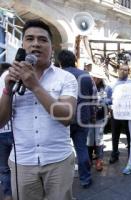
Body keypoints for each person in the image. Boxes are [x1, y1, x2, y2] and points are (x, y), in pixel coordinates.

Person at [0, 19, 77, 200]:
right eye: (30, 39)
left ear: (52, 47)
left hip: (59, 161)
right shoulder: (7, 76)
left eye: (43, 40)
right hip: (22, 163)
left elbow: (66, 116)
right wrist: (7, 90)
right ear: (23, 45)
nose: (36, 44)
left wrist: (34, 86)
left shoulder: (66, 78)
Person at [57, 49, 94, 188]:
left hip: (63, 117)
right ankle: (85, 178)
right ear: (74, 60)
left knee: (61, 150)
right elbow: (91, 97)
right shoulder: (85, 75)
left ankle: (62, 180)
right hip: (82, 117)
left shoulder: (58, 75)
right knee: (81, 148)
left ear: (60, 62)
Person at [108, 63, 131, 164]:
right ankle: (114, 153)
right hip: (116, 113)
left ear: (128, 72)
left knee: (130, 135)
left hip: (129, 114)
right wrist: (108, 104)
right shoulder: (111, 84)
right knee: (115, 134)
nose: (123, 71)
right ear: (118, 70)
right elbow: (108, 99)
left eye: (126, 70)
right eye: (121, 69)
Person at [88, 66, 112, 171]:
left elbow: (111, 100)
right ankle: (88, 159)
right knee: (89, 138)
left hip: (100, 116)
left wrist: (102, 102)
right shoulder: (86, 85)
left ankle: (99, 160)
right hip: (88, 117)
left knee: (99, 138)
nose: (95, 79)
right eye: (94, 77)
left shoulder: (107, 88)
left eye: (97, 78)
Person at [0, 63, 13, 200]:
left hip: (1, 132)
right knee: (18, 166)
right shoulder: (12, 82)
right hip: (14, 129)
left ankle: (8, 195)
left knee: (4, 168)